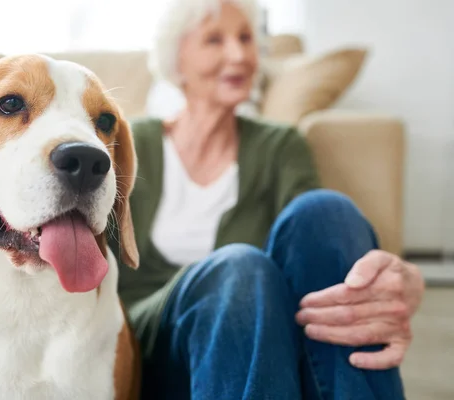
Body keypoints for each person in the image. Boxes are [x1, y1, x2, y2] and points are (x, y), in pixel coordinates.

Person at [107, 0, 425, 399]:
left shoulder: (280, 144)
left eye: (246, 38)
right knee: (238, 267)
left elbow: (321, 246)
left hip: (260, 340)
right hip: (154, 345)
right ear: (178, 60)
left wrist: (402, 278)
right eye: (214, 40)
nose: (239, 55)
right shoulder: (130, 140)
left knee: (327, 211)